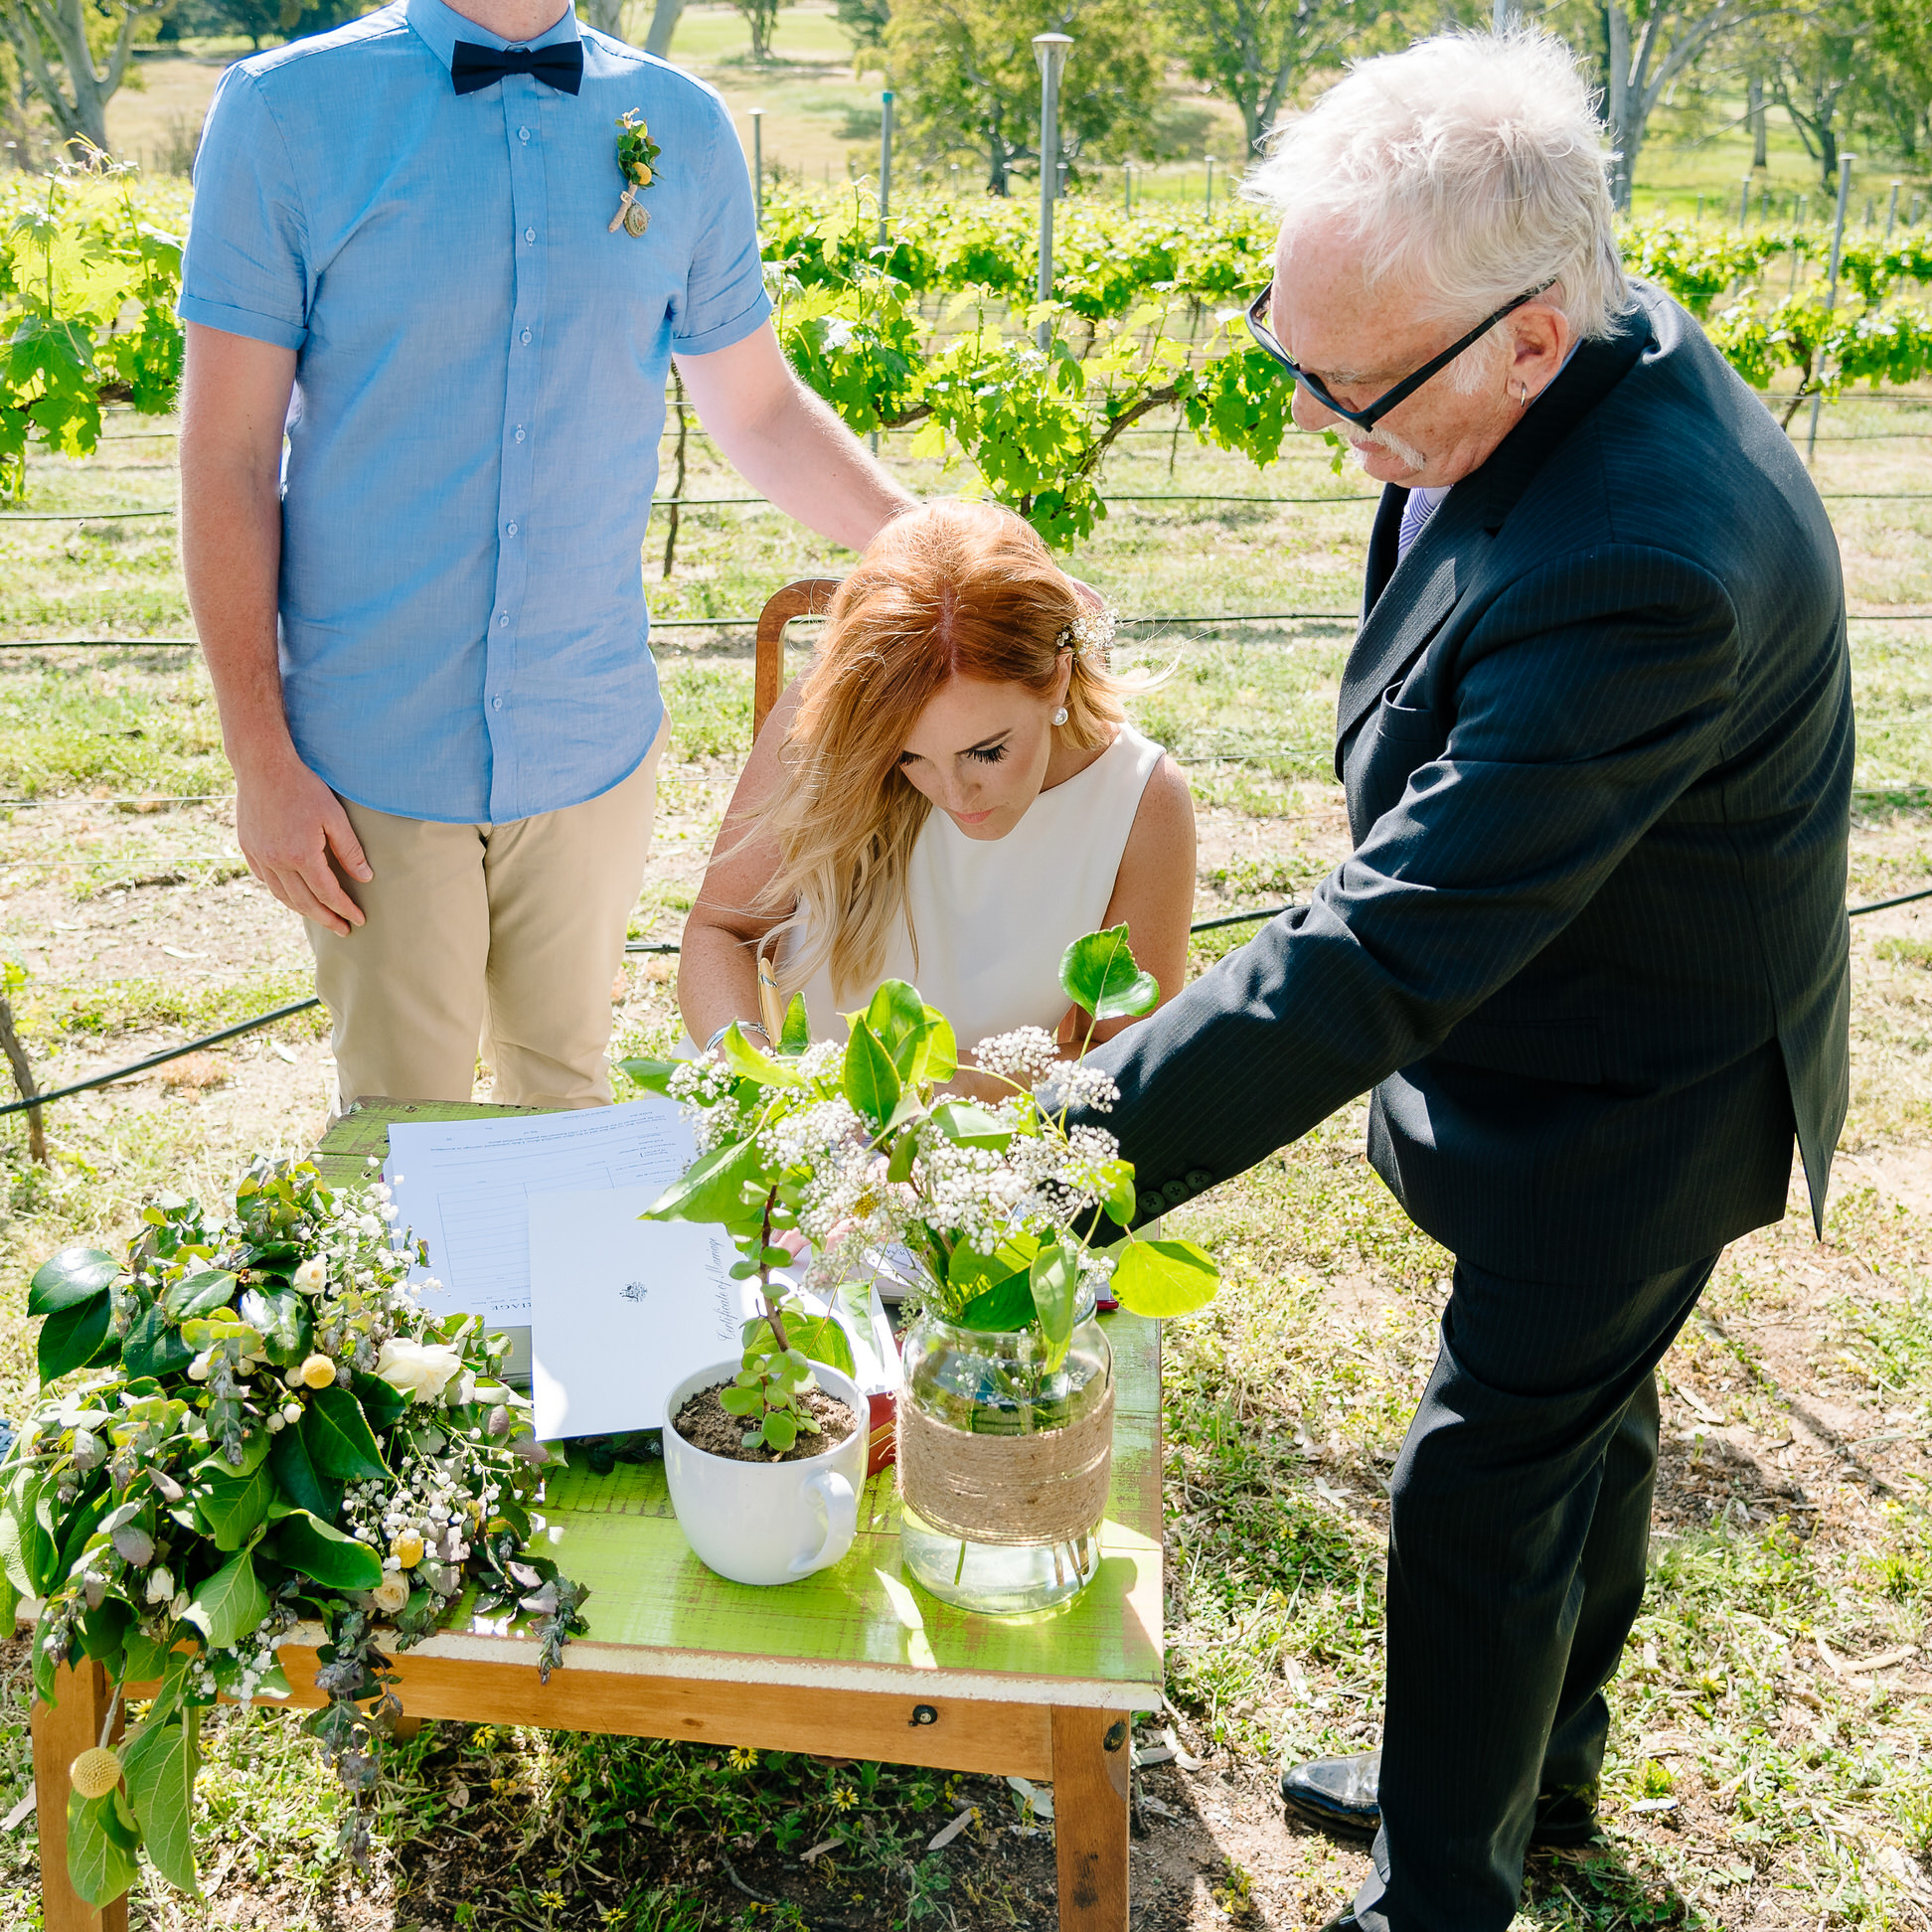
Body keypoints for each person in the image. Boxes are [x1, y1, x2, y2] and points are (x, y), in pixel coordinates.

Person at [1068, 31, 1852, 1932]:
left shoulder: (1640, 558)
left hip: (1637, 1081)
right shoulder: (1545, 344)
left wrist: (1056, 1148)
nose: (1329, 426)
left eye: (1356, 393)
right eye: (1295, 365)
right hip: (1574, 991)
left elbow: (1392, 943)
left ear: (1523, 333)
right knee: (1586, 1423)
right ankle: (1535, 1776)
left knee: (1485, 1472)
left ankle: (1443, 1889)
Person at [178, 0, 913, 1114]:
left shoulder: (683, 125)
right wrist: (260, 760)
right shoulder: (285, 111)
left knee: (567, 1100)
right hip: (370, 748)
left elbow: (756, 406)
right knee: (400, 1128)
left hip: (590, 736)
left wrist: (931, 540)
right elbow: (227, 457)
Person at [678, 500, 1196, 1068]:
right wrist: (749, 1067)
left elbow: (1127, 1056)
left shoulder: (1141, 799)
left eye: (986, 751)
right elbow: (723, 930)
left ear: (1059, 676)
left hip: (1003, 1130)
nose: (950, 794)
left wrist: (930, 1091)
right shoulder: (828, 716)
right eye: (909, 757)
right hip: (794, 1117)